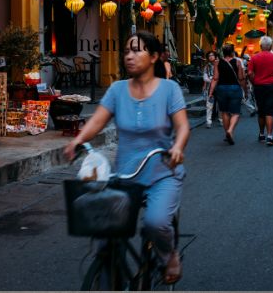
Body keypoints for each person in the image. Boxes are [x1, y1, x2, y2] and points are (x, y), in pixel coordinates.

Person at [64, 31, 190, 284]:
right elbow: (98, 119)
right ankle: (109, 275)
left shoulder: (169, 89)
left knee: (155, 223)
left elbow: (183, 126)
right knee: (102, 229)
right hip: (124, 175)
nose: (129, 56)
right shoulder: (117, 89)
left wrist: (177, 147)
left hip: (161, 172)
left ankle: (169, 256)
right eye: (126, 51)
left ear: (154, 57)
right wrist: (79, 140)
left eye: (137, 50)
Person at [248, 36, 273, 146]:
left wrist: (253, 82)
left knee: (261, 111)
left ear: (260, 46)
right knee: (270, 111)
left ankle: (261, 134)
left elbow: (250, 73)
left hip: (259, 87)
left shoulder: (254, 58)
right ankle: (270, 136)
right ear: (270, 46)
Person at [209, 44, 247, 145]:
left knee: (224, 112)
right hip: (234, 88)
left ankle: (227, 132)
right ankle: (230, 130)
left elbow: (215, 78)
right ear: (232, 52)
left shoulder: (217, 63)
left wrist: (211, 92)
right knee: (236, 113)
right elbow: (241, 78)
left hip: (221, 89)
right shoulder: (238, 62)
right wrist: (245, 90)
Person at [202, 51, 218, 128]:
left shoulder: (219, 65)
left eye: (212, 55)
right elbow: (205, 77)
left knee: (220, 104)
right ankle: (208, 121)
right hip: (210, 87)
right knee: (209, 104)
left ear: (215, 56)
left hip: (218, 87)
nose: (211, 57)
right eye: (209, 56)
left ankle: (221, 120)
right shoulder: (206, 67)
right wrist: (212, 80)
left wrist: (214, 80)